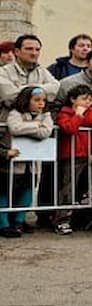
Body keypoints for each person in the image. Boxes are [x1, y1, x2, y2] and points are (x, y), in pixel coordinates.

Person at [54, 84, 92, 233]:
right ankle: (61, 220)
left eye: (90, 100)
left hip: (89, 154)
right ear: (72, 99)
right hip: (70, 155)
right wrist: (78, 115)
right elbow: (69, 128)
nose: (88, 103)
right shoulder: (64, 113)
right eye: (84, 99)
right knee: (68, 187)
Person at [1, 87, 55, 237]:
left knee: (28, 190)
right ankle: (4, 223)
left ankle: (19, 221)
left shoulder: (46, 115)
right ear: (27, 100)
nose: (41, 104)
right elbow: (15, 128)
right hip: (13, 162)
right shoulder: (15, 113)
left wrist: (31, 128)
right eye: (37, 100)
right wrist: (36, 126)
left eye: (43, 100)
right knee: (5, 190)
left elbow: (46, 132)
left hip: (32, 164)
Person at [0, 34, 60, 110]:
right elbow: (10, 97)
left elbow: (55, 88)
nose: (34, 53)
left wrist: (25, 88)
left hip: (39, 119)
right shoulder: (3, 72)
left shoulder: (42, 71)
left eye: (37, 50)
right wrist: (41, 91)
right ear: (17, 52)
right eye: (29, 49)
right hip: (10, 119)